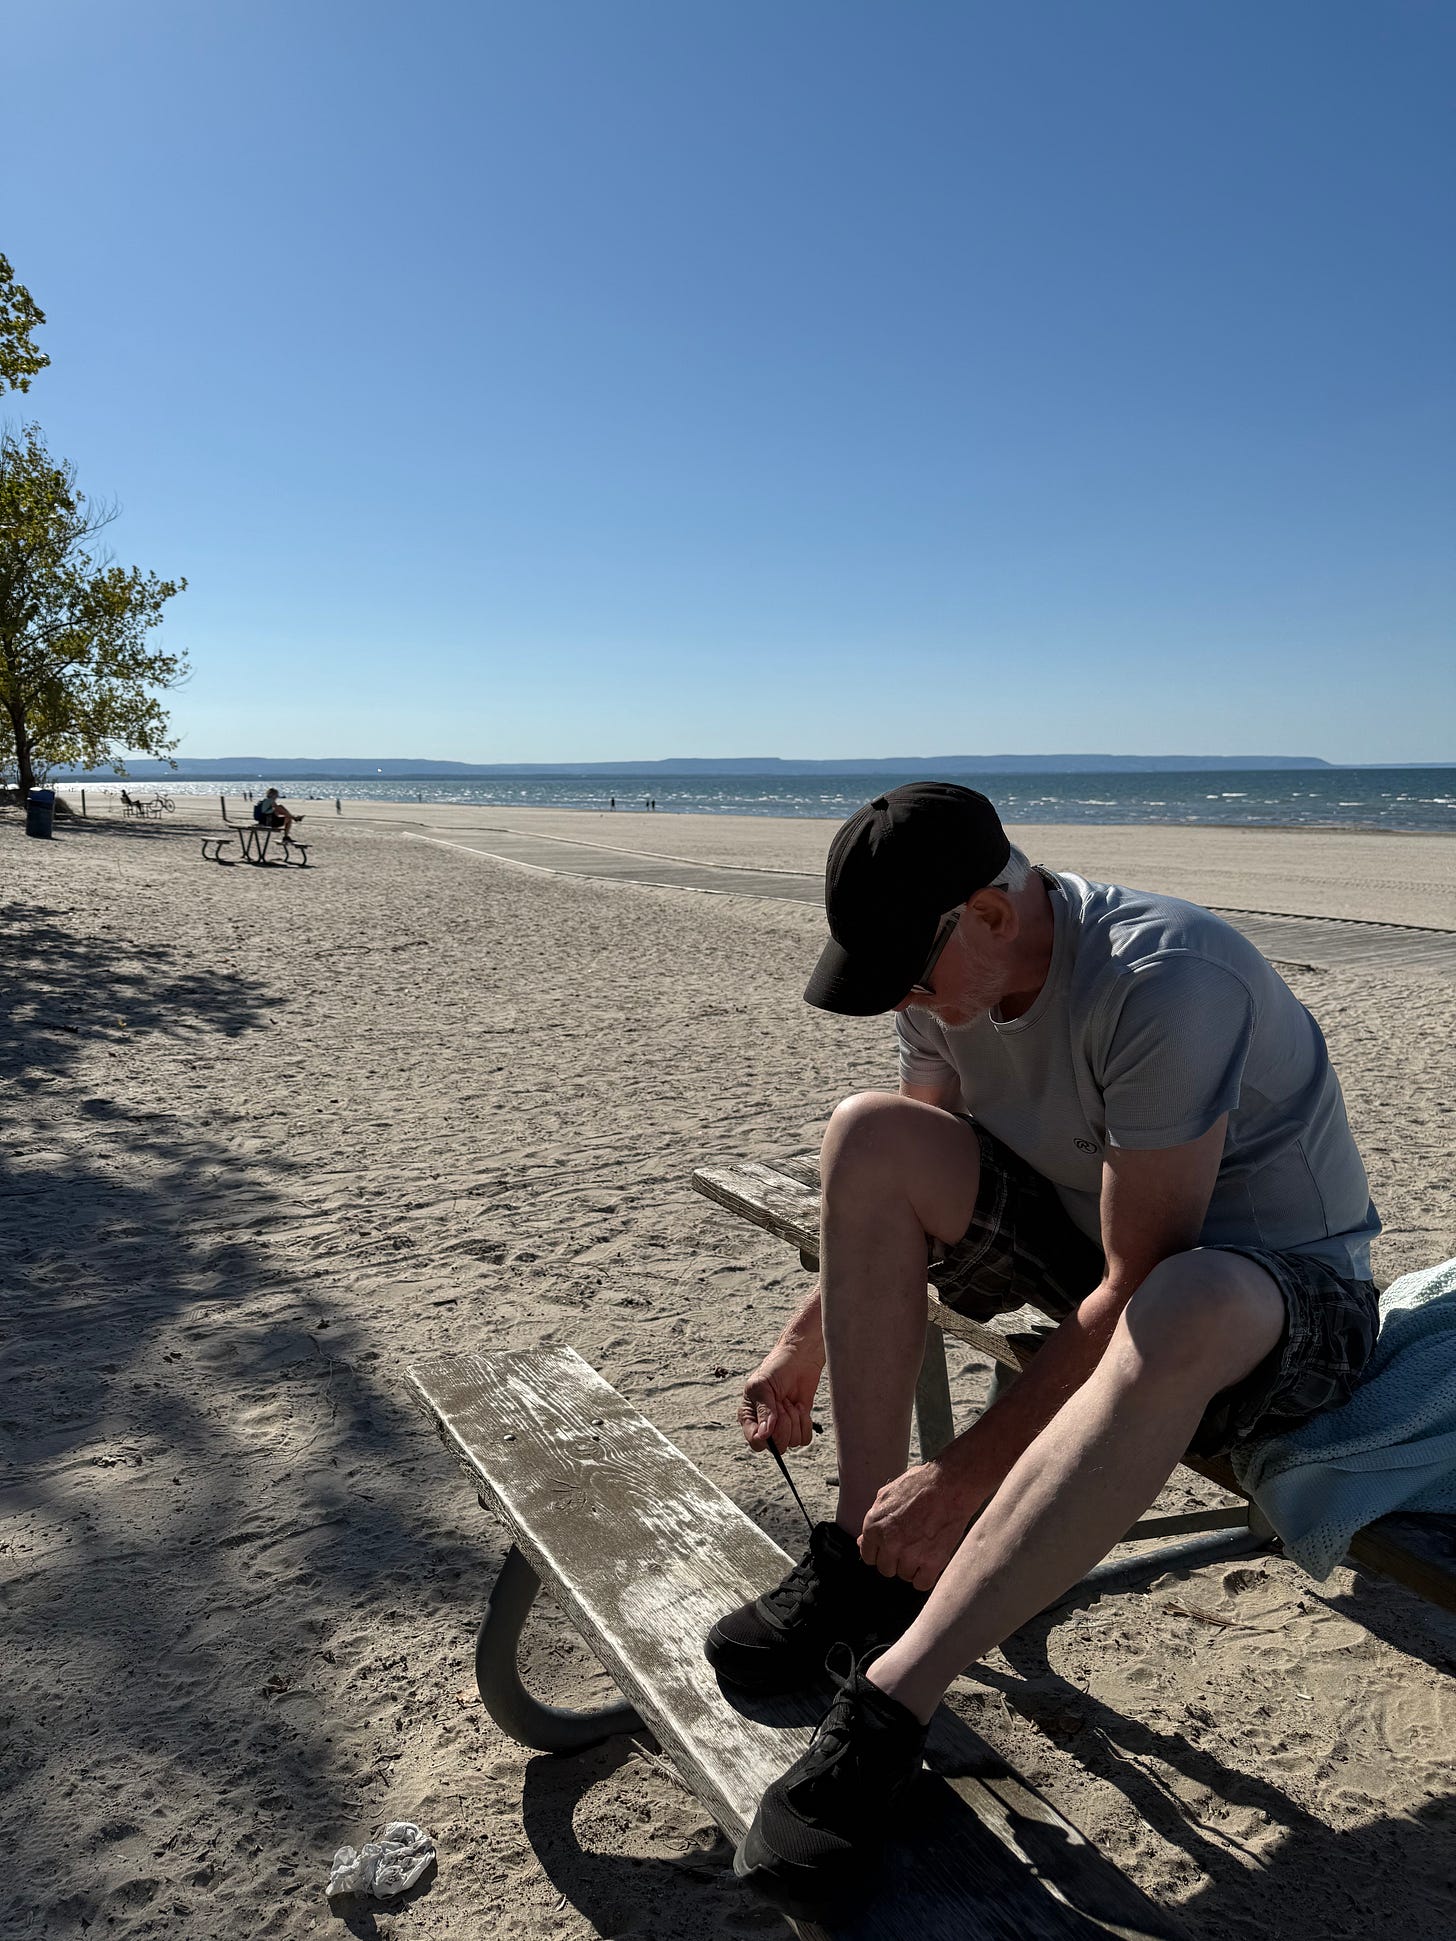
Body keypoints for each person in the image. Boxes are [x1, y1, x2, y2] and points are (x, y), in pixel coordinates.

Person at [713, 783, 1380, 1920]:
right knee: (866, 1130)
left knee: (1185, 1300)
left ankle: (893, 1698)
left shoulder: (1166, 978)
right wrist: (803, 1341)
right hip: (1099, 1253)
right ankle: (869, 1557)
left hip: (1275, 1301)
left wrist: (963, 1475)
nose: (911, 1002)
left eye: (916, 974)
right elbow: (917, 1164)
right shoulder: (947, 990)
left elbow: (1136, 1284)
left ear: (986, 911)